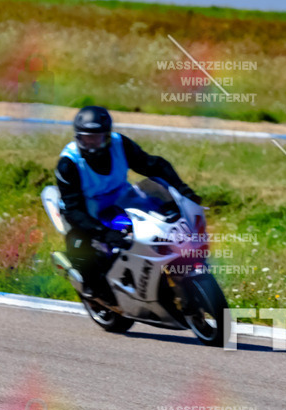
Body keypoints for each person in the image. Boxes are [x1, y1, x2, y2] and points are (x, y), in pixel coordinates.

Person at [54, 105, 201, 303]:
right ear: (77, 137)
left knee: (165, 216)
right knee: (81, 242)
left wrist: (182, 190)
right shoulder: (68, 164)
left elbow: (153, 165)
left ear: (106, 136)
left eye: (96, 138)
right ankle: (91, 285)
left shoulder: (120, 144)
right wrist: (104, 233)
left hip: (121, 197)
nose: (91, 144)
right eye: (86, 137)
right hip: (86, 208)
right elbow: (73, 209)